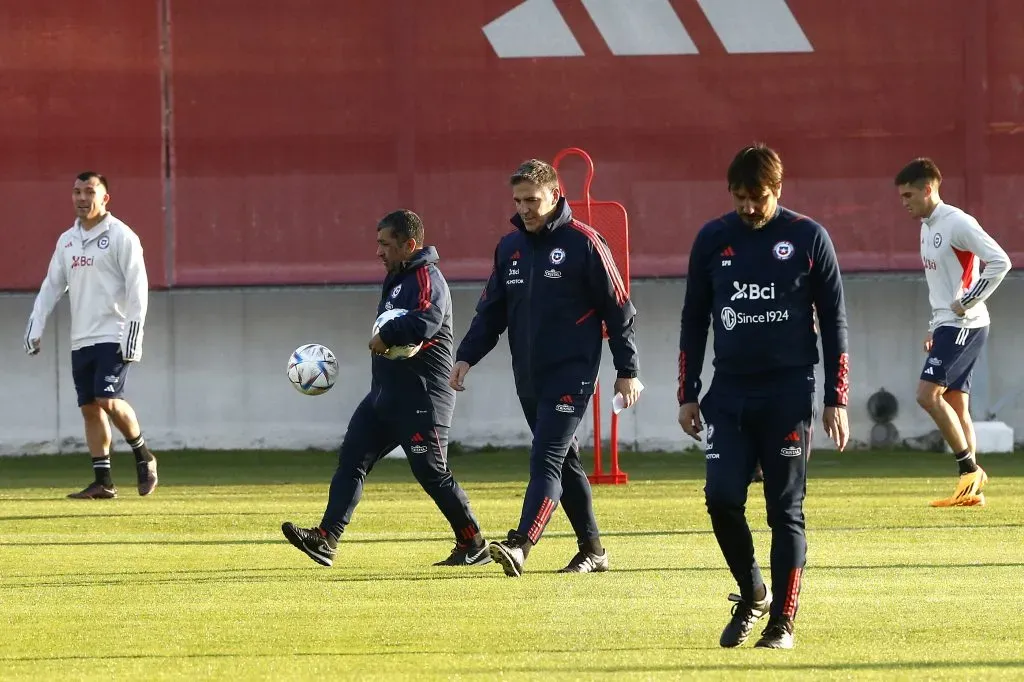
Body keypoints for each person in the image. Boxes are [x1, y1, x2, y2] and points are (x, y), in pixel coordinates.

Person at [677, 144, 850, 649]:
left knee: (784, 510)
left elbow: (835, 323)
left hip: (788, 393)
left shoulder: (807, 237)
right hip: (727, 393)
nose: (748, 208)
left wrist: (836, 397)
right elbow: (693, 318)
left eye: (759, 197)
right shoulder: (712, 238)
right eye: (740, 197)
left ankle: (782, 624)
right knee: (721, 498)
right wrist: (688, 392)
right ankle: (753, 591)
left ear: (779, 190)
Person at [450, 159, 642, 578]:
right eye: (518, 200)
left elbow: (620, 310)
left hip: (571, 374)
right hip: (529, 378)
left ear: (555, 195)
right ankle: (594, 551)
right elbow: (490, 313)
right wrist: (465, 356)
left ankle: (521, 544)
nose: (525, 208)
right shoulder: (509, 248)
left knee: (546, 460)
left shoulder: (585, 242)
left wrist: (628, 369)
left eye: (533, 199)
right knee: (565, 463)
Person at [281, 210, 489, 568]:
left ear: (409, 245)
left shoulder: (427, 277)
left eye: (385, 244)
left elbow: (426, 320)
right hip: (384, 395)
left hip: (423, 397)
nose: (378, 251)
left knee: (431, 472)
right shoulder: (396, 277)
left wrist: (387, 336)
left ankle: (473, 543)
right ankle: (327, 538)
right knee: (351, 459)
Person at [24, 171, 157, 499]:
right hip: (80, 338)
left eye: (89, 191)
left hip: (114, 333)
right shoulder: (67, 241)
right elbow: (52, 285)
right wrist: (35, 325)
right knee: (89, 408)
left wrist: (133, 334)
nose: (82, 198)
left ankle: (144, 456)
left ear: (104, 198)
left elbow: (138, 287)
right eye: (77, 191)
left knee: (107, 398)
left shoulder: (121, 236)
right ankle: (104, 482)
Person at [895, 158, 1010, 507]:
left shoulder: (958, 222)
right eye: (901, 196)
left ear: (928, 189)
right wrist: (935, 326)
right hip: (948, 324)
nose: (905, 203)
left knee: (927, 395)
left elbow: (1000, 261)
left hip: (965, 324)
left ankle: (968, 469)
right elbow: (940, 285)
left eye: (909, 194)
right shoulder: (927, 226)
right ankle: (970, 490)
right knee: (957, 406)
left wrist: (969, 300)